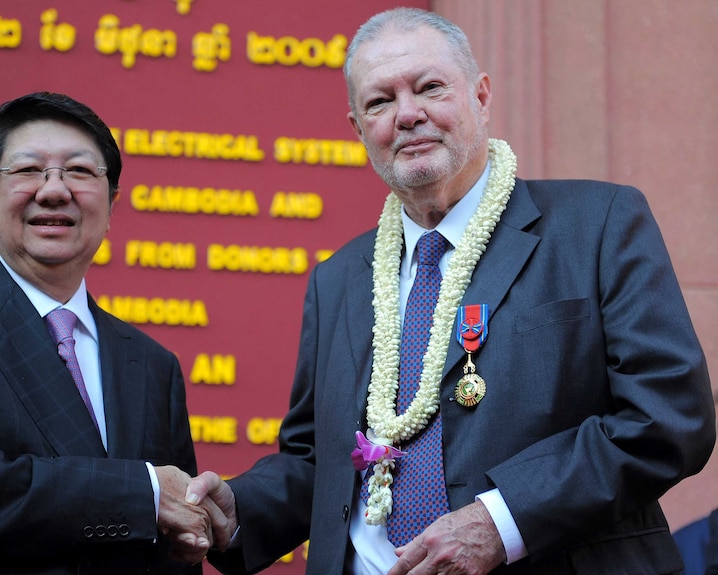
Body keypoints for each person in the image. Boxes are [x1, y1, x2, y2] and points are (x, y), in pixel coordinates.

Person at [185, 8, 716, 575]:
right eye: (379, 102)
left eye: (430, 87)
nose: (408, 115)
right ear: (358, 129)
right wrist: (237, 509)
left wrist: (503, 519)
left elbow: (669, 416)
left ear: (481, 96)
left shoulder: (597, 224)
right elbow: (322, 461)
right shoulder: (338, 277)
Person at [0, 92, 222, 574]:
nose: (54, 191)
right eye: (28, 170)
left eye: (78, 171)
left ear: (112, 204)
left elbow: (178, 544)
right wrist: (144, 494)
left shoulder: (152, 365)